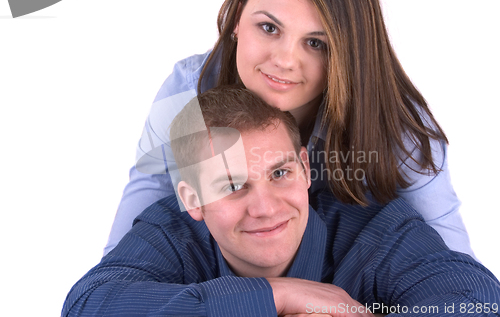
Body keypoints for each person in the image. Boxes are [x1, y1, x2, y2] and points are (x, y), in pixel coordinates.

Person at [104, 0, 474, 259]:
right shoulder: (186, 93)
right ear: (235, 19)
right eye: (269, 28)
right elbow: (113, 274)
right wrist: (279, 296)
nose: (284, 61)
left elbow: (463, 281)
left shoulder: (395, 124)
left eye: (316, 44)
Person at [63, 86, 500, 317]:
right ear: (191, 200)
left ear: (306, 169)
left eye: (280, 173)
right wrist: (277, 297)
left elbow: (479, 300)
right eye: (232, 186)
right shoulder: (171, 233)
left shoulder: (376, 228)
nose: (266, 207)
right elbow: (87, 307)